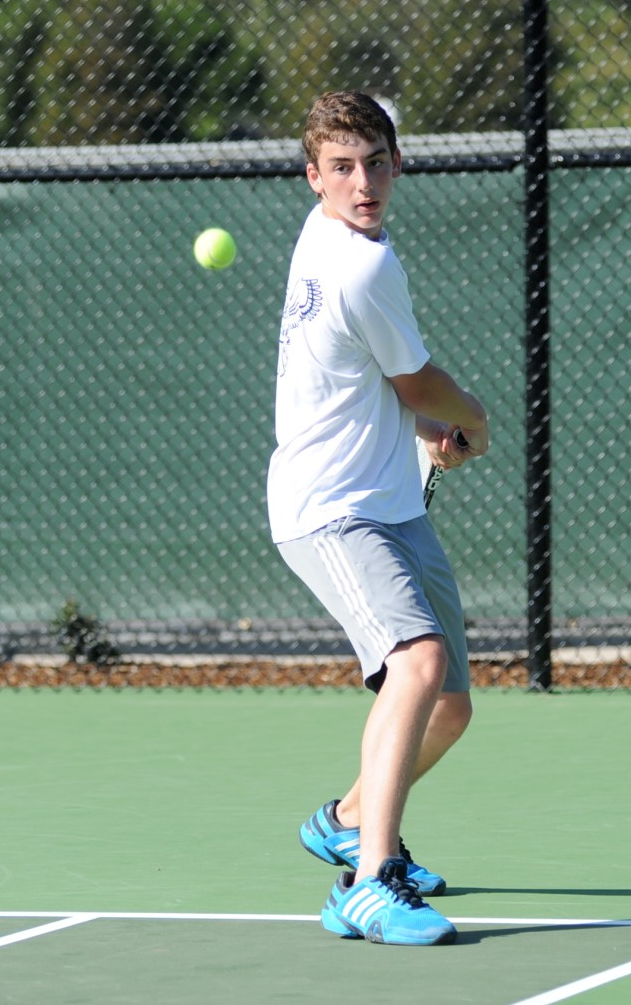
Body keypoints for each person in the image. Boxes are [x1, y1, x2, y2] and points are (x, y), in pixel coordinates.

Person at [266, 91, 488, 946]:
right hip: (333, 508)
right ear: (312, 179)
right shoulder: (358, 263)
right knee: (418, 662)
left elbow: (379, 385)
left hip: (391, 499)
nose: (364, 183)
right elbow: (420, 387)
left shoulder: (344, 235)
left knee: (451, 706)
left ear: (399, 164)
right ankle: (367, 883)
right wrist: (472, 421)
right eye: (343, 169)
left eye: (379, 163)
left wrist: (430, 438)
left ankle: (346, 819)